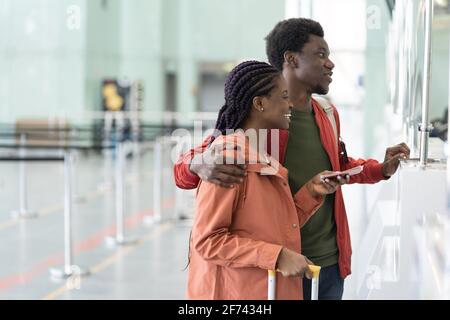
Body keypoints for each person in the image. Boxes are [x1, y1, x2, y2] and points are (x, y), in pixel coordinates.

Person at [175, 18, 410, 300]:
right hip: (273, 267)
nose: (330, 64)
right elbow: (194, 169)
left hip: (328, 260)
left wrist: (378, 169)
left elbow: (339, 164)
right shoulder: (255, 126)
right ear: (291, 59)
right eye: (320, 54)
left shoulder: (327, 113)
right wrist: (197, 164)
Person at [186, 60, 347, 300]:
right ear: (259, 103)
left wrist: (312, 191)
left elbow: (274, 227)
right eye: (283, 97)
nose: (290, 103)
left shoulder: (259, 154)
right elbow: (208, 240)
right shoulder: (228, 158)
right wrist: (278, 256)